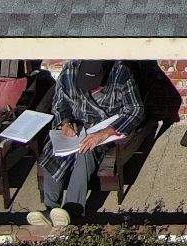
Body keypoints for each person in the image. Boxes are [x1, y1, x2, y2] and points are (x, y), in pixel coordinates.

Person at [29, 58, 143, 226]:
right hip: (76, 126)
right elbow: (60, 104)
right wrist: (65, 122)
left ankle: (72, 208)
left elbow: (136, 110)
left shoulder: (120, 73)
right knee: (54, 147)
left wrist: (106, 131)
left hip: (102, 130)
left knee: (85, 151)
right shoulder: (69, 71)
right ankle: (50, 207)